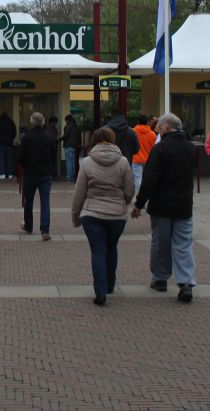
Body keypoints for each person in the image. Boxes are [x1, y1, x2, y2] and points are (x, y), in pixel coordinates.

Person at [132, 113, 197, 303]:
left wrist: (139, 204)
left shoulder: (160, 149)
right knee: (184, 243)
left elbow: (150, 179)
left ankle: (160, 278)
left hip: (161, 205)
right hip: (184, 204)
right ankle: (186, 282)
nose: (157, 131)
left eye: (159, 128)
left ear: (167, 128)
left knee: (160, 242)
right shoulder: (191, 149)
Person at [71, 127, 135, 306]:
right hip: (117, 215)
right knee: (111, 248)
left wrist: (75, 216)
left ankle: (100, 290)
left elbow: (79, 192)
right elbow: (130, 189)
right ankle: (110, 284)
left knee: (98, 250)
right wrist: (124, 202)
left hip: (92, 214)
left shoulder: (87, 162)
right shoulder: (123, 162)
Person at [18, 111, 56, 240]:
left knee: (29, 201)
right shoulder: (49, 137)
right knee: (45, 202)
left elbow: (21, 157)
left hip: (30, 173)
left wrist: (26, 165)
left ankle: (28, 226)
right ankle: (45, 230)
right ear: (43, 122)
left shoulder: (27, 137)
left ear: (32, 122)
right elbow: (54, 156)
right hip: (45, 173)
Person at [132, 114, 156, 193]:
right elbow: (154, 147)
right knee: (146, 179)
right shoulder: (152, 134)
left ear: (138, 121)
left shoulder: (133, 132)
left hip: (136, 159)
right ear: (147, 122)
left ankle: (138, 197)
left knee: (137, 179)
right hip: (148, 160)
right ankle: (145, 197)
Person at [0, 111, 17, 179]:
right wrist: (11, 138)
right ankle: (10, 174)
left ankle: (1, 173)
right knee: (9, 159)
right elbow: (14, 132)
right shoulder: (11, 121)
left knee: (1, 159)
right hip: (9, 143)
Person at [61, 114, 81, 183]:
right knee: (73, 162)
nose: (65, 122)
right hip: (75, 146)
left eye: (65, 120)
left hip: (68, 146)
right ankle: (73, 177)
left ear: (67, 120)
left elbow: (65, 136)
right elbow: (79, 138)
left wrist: (59, 139)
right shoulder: (77, 127)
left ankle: (69, 178)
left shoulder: (68, 126)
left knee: (68, 162)